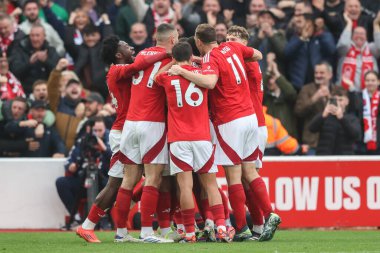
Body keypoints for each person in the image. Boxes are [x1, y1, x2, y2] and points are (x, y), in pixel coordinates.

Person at [168, 24, 280, 242]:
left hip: (231, 120)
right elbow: (257, 54)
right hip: (251, 119)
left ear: (199, 42)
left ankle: (242, 228)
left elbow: (210, 82)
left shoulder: (211, 57)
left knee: (233, 176)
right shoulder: (233, 48)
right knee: (250, 172)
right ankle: (269, 214)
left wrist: (182, 70)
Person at [76, 35, 169, 243]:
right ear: (118, 55)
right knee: (116, 183)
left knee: (139, 179)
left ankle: (123, 231)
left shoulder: (125, 70)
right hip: (123, 132)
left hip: (131, 128)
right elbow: (142, 63)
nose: (132, 47)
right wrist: (167, 51)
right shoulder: (116, 70)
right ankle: (88, 226)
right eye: (127, 46)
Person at [156, 41, 233, 243]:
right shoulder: (202, 76)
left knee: (185, 187)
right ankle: (222, 227)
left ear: (174, 57)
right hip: (202, 138)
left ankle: (190, 232)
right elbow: (209, 81)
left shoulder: (168, 77)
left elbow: (156, 77)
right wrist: (193, 63)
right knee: (211, 186)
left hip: (179, 139)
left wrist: (173, 64)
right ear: (191, 56)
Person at [119, 23, 178, 243]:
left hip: (130, 123)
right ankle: (146, 232)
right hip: (152, 123)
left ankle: (121, 233)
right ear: (172, 40)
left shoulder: (142, 54)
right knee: (154, 179)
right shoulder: (169, 60)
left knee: (128, 180)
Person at [225, 25, 268, 240]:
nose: (229, 42)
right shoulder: (244, 60)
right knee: (244, 179)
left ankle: (263, 221)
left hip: (251, 123)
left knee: (248, 177)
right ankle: (259, 226)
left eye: (234, 39)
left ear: (245, 42)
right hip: (252, 121)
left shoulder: (247, 62)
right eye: (227, 38)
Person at [55, 117, 111, 229]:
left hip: (103, 181)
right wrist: (71, 166)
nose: (97, 134)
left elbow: (116, 160)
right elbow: (70, 160)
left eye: (100, 131)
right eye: (95, 131)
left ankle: (105, 220)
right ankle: (76, 218)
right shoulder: (83, 141)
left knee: (111, 187)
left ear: (105, 130)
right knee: (61, 182)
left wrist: (103, 149)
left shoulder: (110, 139)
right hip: (82, 181)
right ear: (89, 130)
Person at [284, 13, 336, 90]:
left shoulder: (321, 36)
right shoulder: (295, 37)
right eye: (305, 25)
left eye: (309, 25)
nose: (307, 28)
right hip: (298, 83)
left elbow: (331, 50)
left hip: (318, 82)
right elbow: (287, 53)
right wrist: (301, 38)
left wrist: (320, 32)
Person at [295, 62, 334, 155]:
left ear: (330, 75)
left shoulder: (337, 89)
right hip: (312, 141)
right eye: (316, 73)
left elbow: (343, 111)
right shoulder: (306, 89)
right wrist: (314, 98)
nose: (318, 75)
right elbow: (298, 111)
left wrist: (329, 97)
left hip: (333, 142)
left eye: (322, 73)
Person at [9, 24, 60, 94]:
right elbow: (15, 72)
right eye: (32, 35)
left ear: (44, 37)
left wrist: (46, 61)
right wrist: (30, 63)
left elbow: (58, 72)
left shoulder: (51, 50)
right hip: (26, 90)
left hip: (47, 90)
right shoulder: (19, 49)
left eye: (37, 35)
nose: (35, 39)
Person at [309, 87, 361, 155]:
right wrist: (323, 115)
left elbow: (356, 135)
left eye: (340, 100)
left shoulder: (351, 118)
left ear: (347, 101)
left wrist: (342, 118)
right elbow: (311, 129)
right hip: (324, 157)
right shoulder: (324, 115)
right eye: (335, 100)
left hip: (344, 158)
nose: (338, 103)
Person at [337, 13, 380, 92]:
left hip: (369, 92)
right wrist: (349, 24)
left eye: (362, 34)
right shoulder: (346, 49)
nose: (359, 36)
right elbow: (343, 44)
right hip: (345, 92)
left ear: (366, 37)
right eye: (356, 33)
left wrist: (376, 25)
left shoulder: (371, 49)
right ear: (351, 36)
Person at [48, 59, 85, 150]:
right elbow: (52, 88)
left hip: (77, 154)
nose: (74, 87)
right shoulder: (57, 103)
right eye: (67, 83)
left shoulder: (87, 104)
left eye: (76, 84)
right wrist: (57, 70)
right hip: (57, 152)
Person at [74, 21, 114, 99]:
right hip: (84, 88)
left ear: (99, 35)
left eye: (93, 35)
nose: (90, 38)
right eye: (87, 36)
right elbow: (68, 42)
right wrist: (70, 25)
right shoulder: (79, 49)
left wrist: (107, 23)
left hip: (104, 87)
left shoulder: (103, 48)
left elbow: (111, 41)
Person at [263, 53, 298, 138]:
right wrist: (268, 71)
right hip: (270, 139)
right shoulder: (265, 97)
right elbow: (258, 89)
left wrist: (277, 74)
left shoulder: (286, 96)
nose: (270, 82)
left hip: (287, 138)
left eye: (273, 78)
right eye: (269, 79)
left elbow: (291, 93)